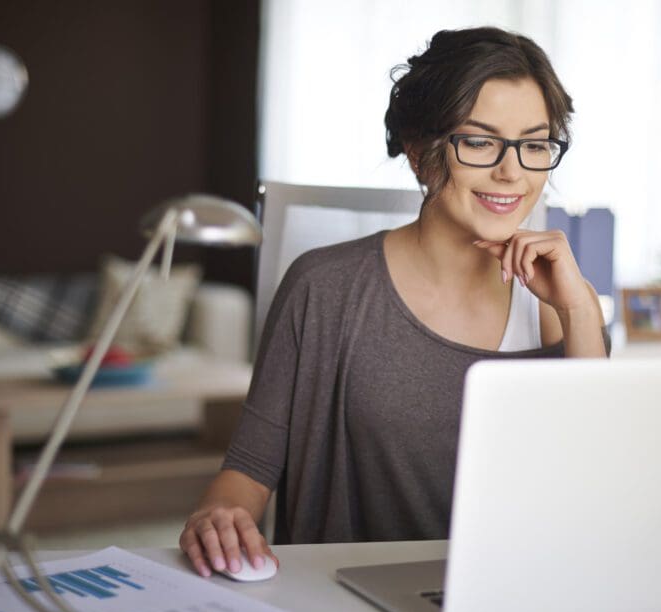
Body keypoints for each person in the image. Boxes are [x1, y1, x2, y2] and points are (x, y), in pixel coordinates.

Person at [180, 27, 609, 578]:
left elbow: (597, 495)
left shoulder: (567, 303)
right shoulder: (324, 288)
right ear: (419, 151)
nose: (513, 171)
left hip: (517, 604)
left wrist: (578, 313)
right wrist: (219, 515)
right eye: (479, 141)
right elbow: (247, 472)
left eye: (534, 143)